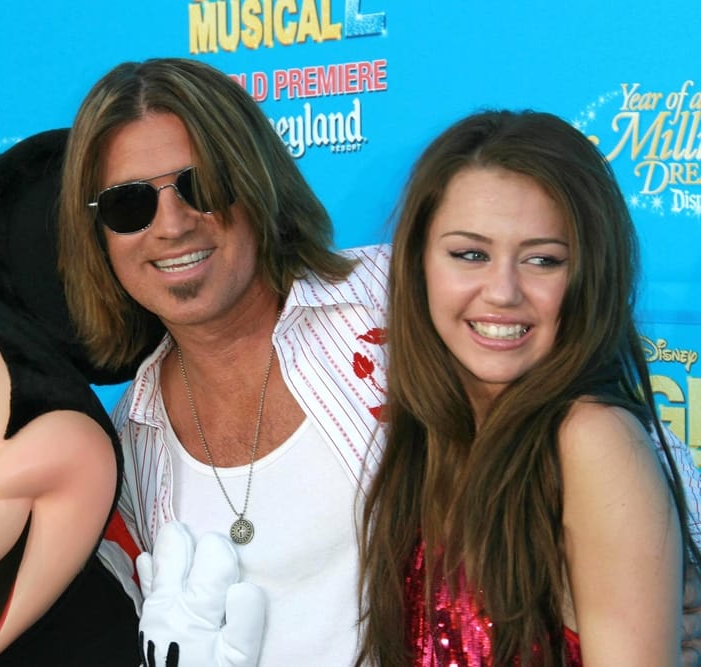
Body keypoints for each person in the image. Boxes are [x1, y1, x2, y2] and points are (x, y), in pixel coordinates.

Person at [56, 57, 701, 665]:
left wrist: (667, 591)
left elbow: (628, 469)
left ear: (254, 182)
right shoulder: (128, 442)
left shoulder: (396, 296)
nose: (172, 225)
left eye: (203, 186)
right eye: (129, 205)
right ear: (99, 237)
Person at [356, 109, 701, 666]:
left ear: (588, 276)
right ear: (417, 265)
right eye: (471, 254)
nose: (503, 291)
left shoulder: (592, 439)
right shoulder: (429, 439)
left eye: (543, 260)